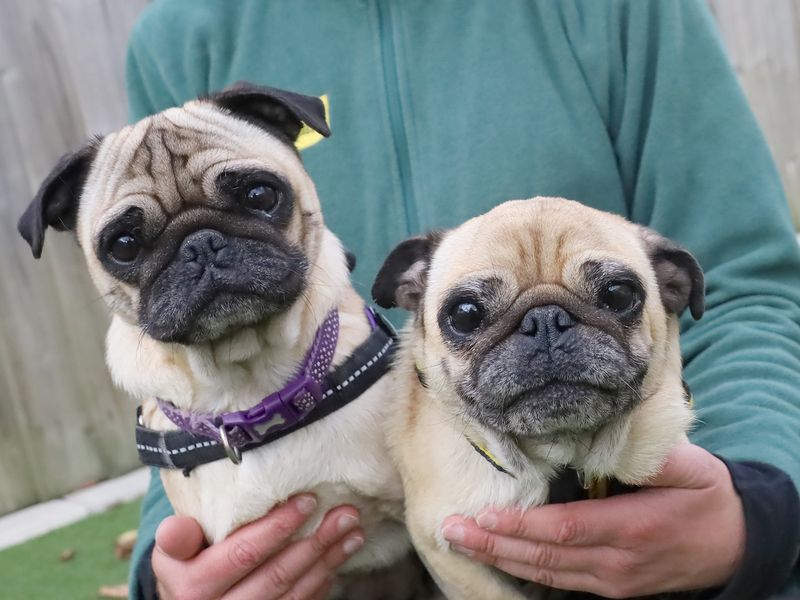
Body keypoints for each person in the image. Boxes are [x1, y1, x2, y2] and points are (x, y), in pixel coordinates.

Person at [124, 1, 800, 598]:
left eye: (612, 295)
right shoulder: (181, 38)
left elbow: (744, 277)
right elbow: (174, 347)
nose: (544, 333)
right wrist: (177, 558)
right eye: (474, 316)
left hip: (655, 530)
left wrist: (758, 498)